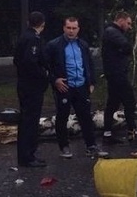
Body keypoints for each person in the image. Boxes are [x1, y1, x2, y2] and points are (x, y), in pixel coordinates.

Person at [44, 17, 107, 158]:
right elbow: (45, 66)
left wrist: (91, 82)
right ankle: (64, 146)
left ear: (78, 29)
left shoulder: (83, 45)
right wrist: (54, 80)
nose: (71, 31)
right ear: (64, 28)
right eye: (69, 28)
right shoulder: (54, 45)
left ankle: (91, 146)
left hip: (81, 86)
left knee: (85, 117)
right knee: (62, 117)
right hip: (65, 86)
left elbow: (89, 64)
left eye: (74, 28)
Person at [13, 11, 49, 168]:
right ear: (42, 24)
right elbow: (31, 62)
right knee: (30, 121)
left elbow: (17, 60)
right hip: (32, 85)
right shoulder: (33, 39)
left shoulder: (23, 38)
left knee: (26, 120)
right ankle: (28, 156)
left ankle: (26, 155)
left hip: (24, 84)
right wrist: (44, 74)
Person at [101, 11, 137, 143]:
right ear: (121, 20)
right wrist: (124, 52)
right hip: (117, 74)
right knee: (130, 101)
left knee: (113, 103)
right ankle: (131, 131)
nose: (129, 27)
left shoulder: (111, 32)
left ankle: (107, 134)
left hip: (114, 73)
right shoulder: (112, 32)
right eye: (128, 23)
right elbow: (127, 47)